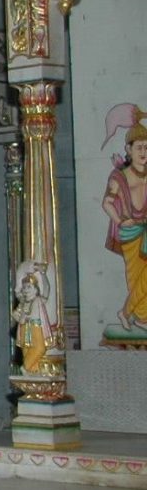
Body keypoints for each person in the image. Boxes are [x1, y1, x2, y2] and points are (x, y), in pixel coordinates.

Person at [103, 115, 147, 333]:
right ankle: (140, 317)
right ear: (128, 149)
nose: (144, 152)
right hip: (131, 231)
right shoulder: (119, 176)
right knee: (135, 277)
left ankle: (127, 313)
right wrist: (121, 220)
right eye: (139, 147)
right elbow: (107, 203)